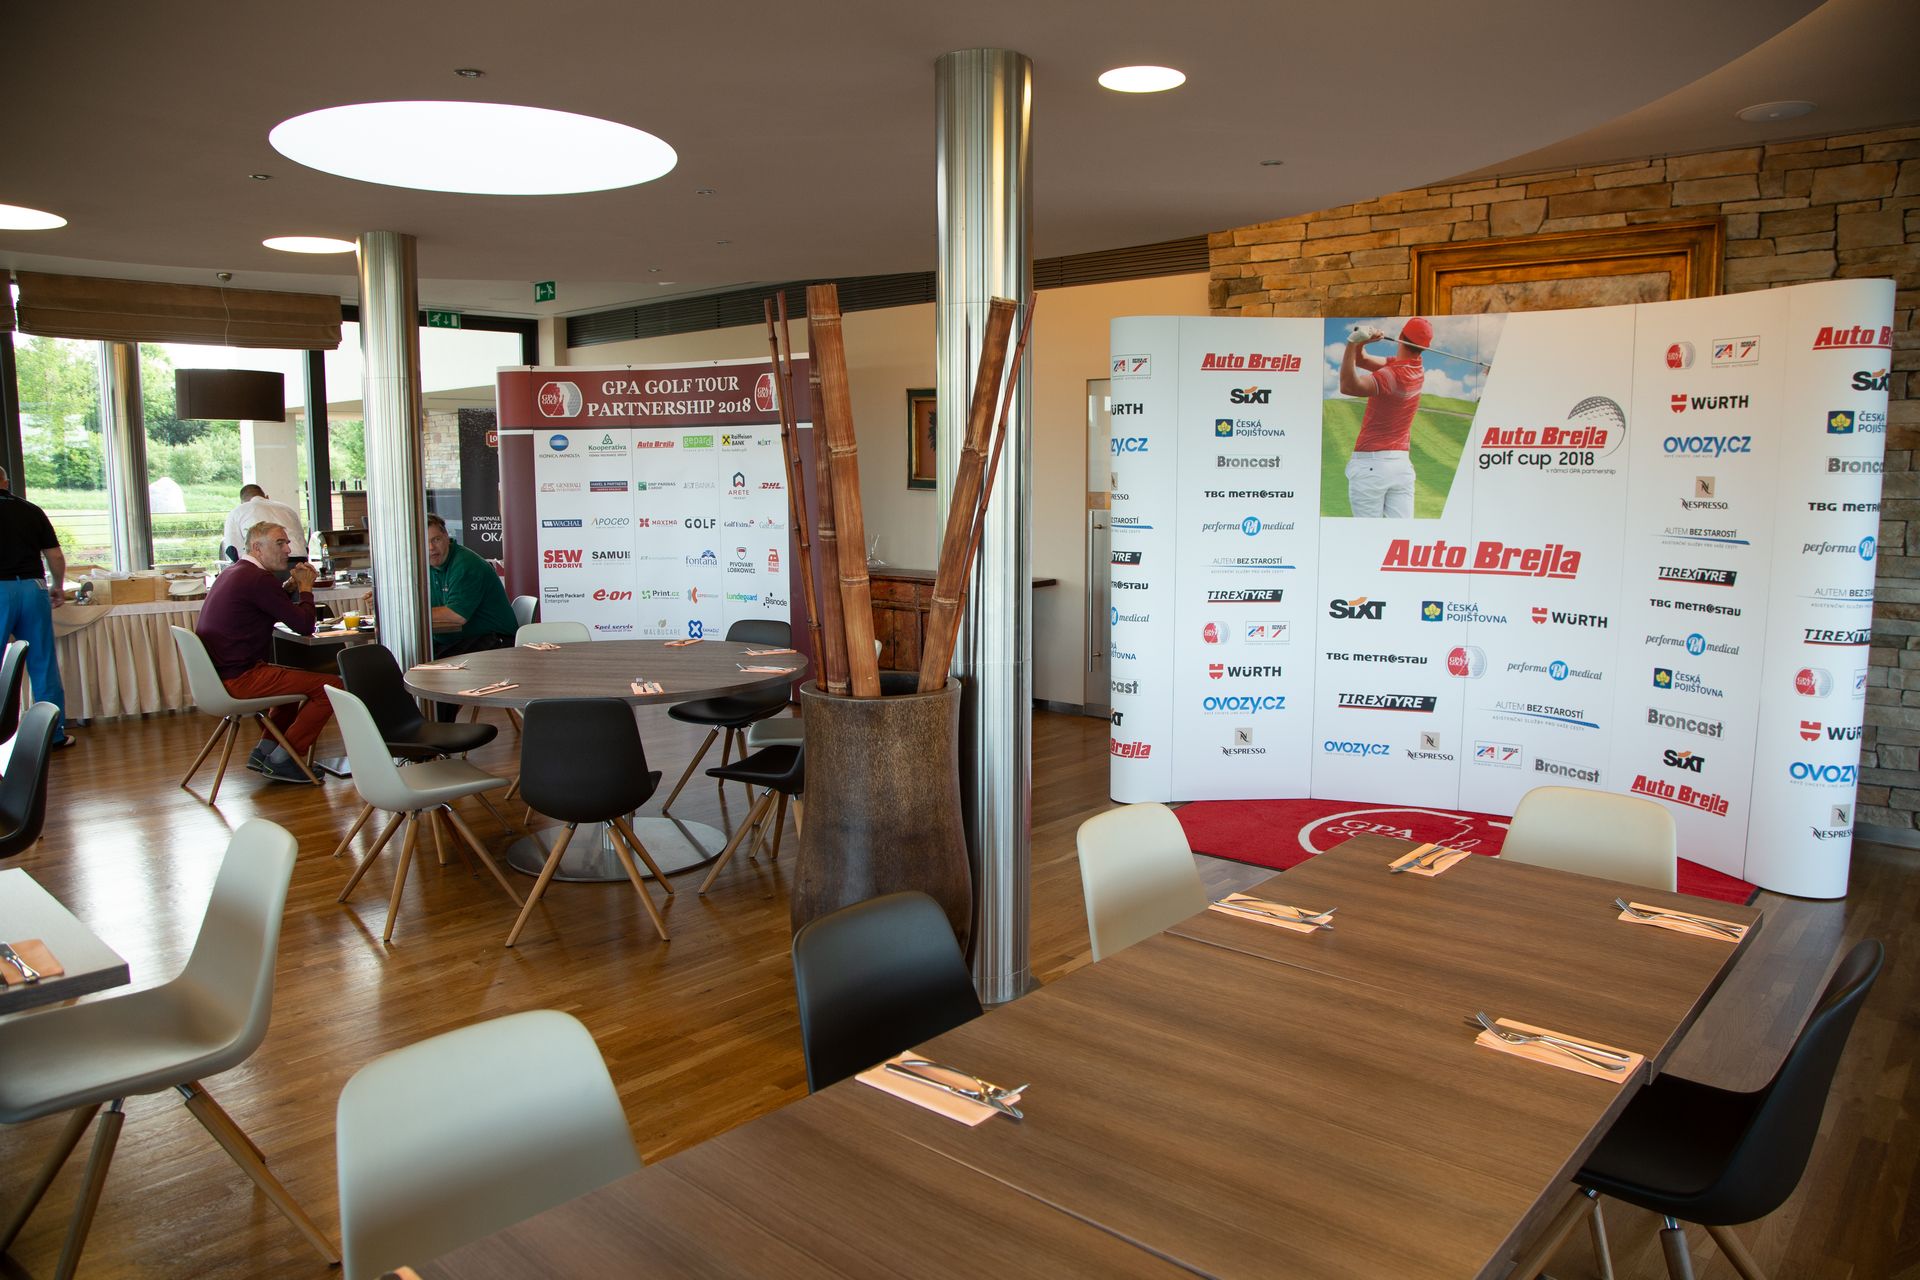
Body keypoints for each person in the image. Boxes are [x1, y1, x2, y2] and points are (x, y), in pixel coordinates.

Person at [195, 522, 337, 783]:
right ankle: (286, 759)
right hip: (240, 679)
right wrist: (306, 588)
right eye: (280, 543)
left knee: (291, 690)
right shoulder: (259, 579)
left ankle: (266, 752)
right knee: (332, 687)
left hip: (218, 678)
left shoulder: (235, 572)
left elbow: (267, 602)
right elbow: (304, 625)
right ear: (257, 548)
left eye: (287, 543)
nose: (288, 550)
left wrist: (290, 587)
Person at [0, 465, 74, 748]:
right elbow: (55, 556)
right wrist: (58, 585)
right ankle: (53, 734)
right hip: (33, 588)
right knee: (43, 664)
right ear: (6, 482)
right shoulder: (31, 510)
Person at [1338, 316, 1432, 519]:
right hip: (1400, 467)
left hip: (1371, 467)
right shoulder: (1417, 368)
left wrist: (1352, 343)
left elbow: (1348, 386)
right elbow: (1362, 360)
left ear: (1400, 337)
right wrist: (1363, 342)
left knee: (1368, 536)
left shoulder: (1392, 375)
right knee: (1400, 536)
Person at [428, 513, 516, 658]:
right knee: (417, 654)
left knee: (427, 661)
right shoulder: (425, 567)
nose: (431, 547)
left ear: (446, 537)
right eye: (425, 542)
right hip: (460, 641)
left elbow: (456, 615)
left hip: (495, 641)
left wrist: (415, 615)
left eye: (436, 539)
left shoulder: (465, 565)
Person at [220, 484, 308, 565]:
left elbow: (232, 550)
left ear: (242, 502)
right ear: (267, 497)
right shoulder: (288, 509)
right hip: (299, 560)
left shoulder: (238, 511)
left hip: (267, 563)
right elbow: (303, 542)